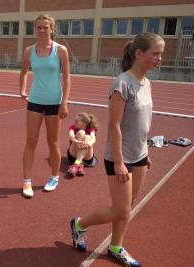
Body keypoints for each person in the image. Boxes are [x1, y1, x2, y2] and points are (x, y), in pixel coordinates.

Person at [70, 33, 164, 267]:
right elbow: (114, 125)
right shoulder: (122, 83)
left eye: (161, 53)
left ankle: (115, 246)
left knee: (127, 206)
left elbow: (141, 124)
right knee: (121, 210)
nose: (160, 58)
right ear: (138, 53)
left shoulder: (147, 83)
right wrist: (120, 162)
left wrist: (146, 152)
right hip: (120, 156)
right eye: (156, 53)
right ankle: (79, 224)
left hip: (140, 154)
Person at [19, 14, 71, 198]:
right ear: (35, 28)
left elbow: (66, 78)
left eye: (45, 27)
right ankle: (26, 181)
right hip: (34, 100)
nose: (41, 30)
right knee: (31, 141)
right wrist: (22, 89)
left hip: (54, 103)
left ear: (52, 29)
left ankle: (54, 177)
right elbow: (24, 71)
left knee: (53, 142)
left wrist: (64, 103)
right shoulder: (29, 51)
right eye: (38, 27)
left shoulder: (61, 50)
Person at [66, 112, 99, 177]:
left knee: (87, 137)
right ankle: (79, 164)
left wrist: (87, 144)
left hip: (87, 158)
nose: (74, 122)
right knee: (81, 132)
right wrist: (77, 142)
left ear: (83, 123)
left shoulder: (91, 129)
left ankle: (76, 164)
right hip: (73, 155)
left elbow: (93, 139)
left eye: (76, 121)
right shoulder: (73, 127)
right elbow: (71, 136)